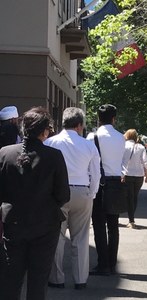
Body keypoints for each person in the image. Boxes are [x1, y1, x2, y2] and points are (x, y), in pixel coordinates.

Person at [0, 107, 70, 299]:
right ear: (45, 131)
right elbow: (63, 194)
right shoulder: (54, 156)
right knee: (38, 281)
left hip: (13, 223)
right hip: (45, 224)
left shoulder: (4, 154)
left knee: (10, 279)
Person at [45, 107, 100, 290]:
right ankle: (80, 279)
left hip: (57, 194)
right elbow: (96, 173)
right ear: (79, 125)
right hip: (82, 191)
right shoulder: (88, 145)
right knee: (81, 238)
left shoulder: (51, 142)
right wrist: (91, 193)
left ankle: (56, 278)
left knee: (57, 237)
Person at [87, 104, 126, 275]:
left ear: (98, 118)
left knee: (99, 225)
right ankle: (112, 263)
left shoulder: (92, 137)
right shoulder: (121, 137)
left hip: (99, 184)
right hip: (116, 182)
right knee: (113, 225)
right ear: (114, 118)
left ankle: (102, 264)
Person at [122, 129, 147, 229]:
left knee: (129, 197)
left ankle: (131, 220)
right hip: (139, 176)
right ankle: (131, 219)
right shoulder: (141, 147)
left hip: (127, 174)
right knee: (134, 197)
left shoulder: (123, 146)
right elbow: (145, 162)